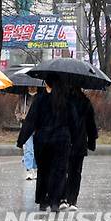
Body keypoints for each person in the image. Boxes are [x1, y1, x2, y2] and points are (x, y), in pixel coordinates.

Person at [17, 74, 78, 212]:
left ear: (46, 84)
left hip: (42, 141)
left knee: (44, 171)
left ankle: (43, 200)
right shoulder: (66, 100)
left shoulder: (40, 100)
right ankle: (55, 201)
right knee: (59, 171)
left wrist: (21, 140)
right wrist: (75, 139)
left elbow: (30, 121)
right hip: (61, 141)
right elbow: (74, 121)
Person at [60, 86, 98, 211]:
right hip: (79, 142)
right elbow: (91, 124)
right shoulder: (85, 102)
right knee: (76, 173)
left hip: (63, 141)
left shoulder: (62, 101)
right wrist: (92, 142)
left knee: (63, 170)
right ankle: (72, 201)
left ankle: (63, 198)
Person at [15, 87, 40, 180]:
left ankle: (36, 168)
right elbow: (17, 112)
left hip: (38, 127)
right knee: (29, 149)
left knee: (37, 149)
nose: (32, 87)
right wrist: (22, 116)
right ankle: (29, 170)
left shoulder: (41, 97)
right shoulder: (23, 98)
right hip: (26, 127)